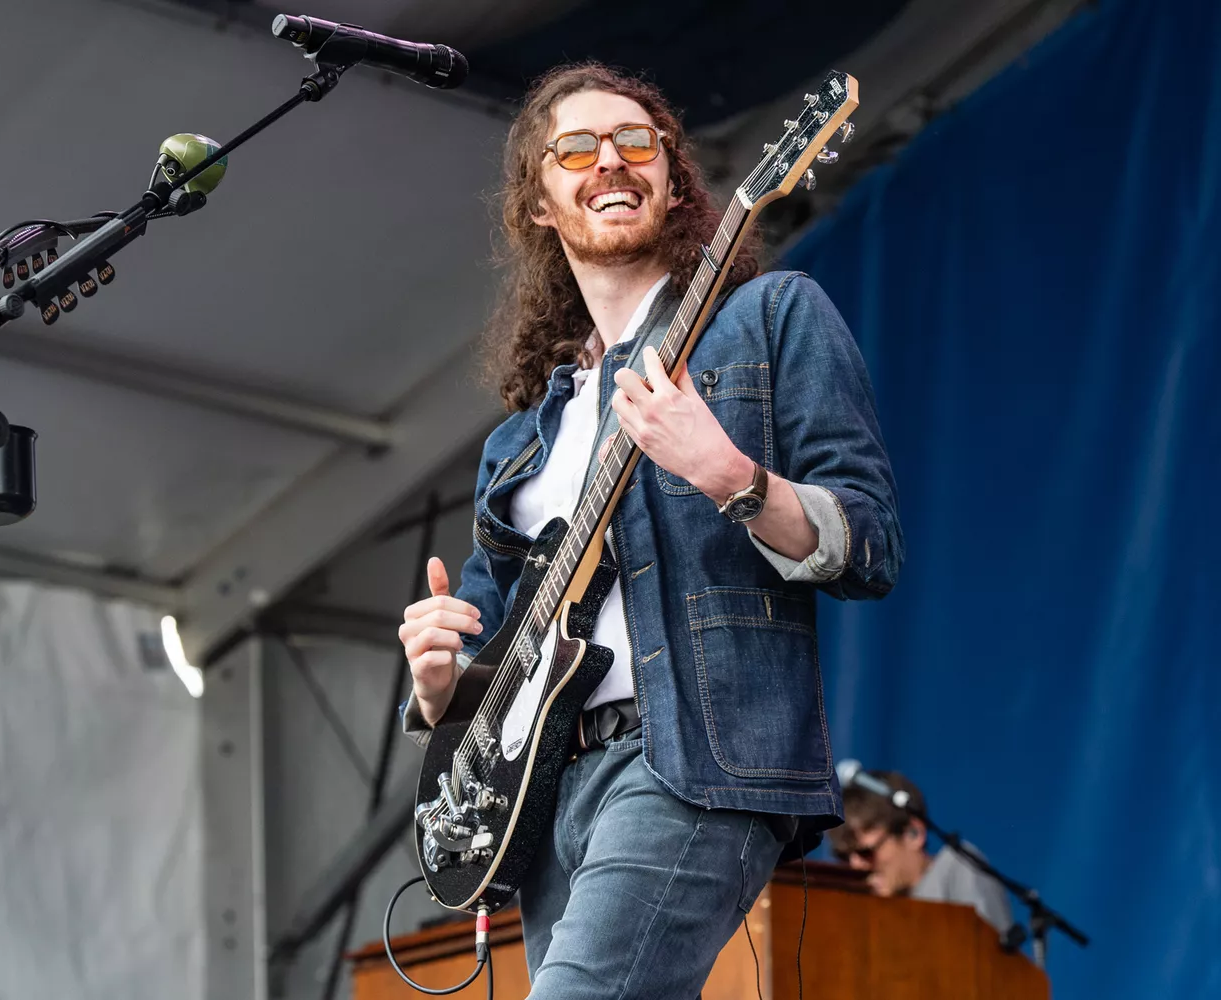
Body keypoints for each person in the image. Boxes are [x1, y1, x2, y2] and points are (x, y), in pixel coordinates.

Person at [397, 62, 902, 999]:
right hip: (547, 797)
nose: (610, 163)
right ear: (539, 202)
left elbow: (867, 544)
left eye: (637, 143)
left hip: (693, 762)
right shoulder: (522, 438)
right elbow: (483, 646)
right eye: (575, 150)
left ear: (672, 178)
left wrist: (732, 477)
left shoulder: (773, 318)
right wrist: (437, 683)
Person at [830, 770, 1015, 936]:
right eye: (844, 857)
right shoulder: (871, 905)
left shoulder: (956, 867)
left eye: (866, 852)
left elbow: (991, 966)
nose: (856, 865)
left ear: (914, 834)